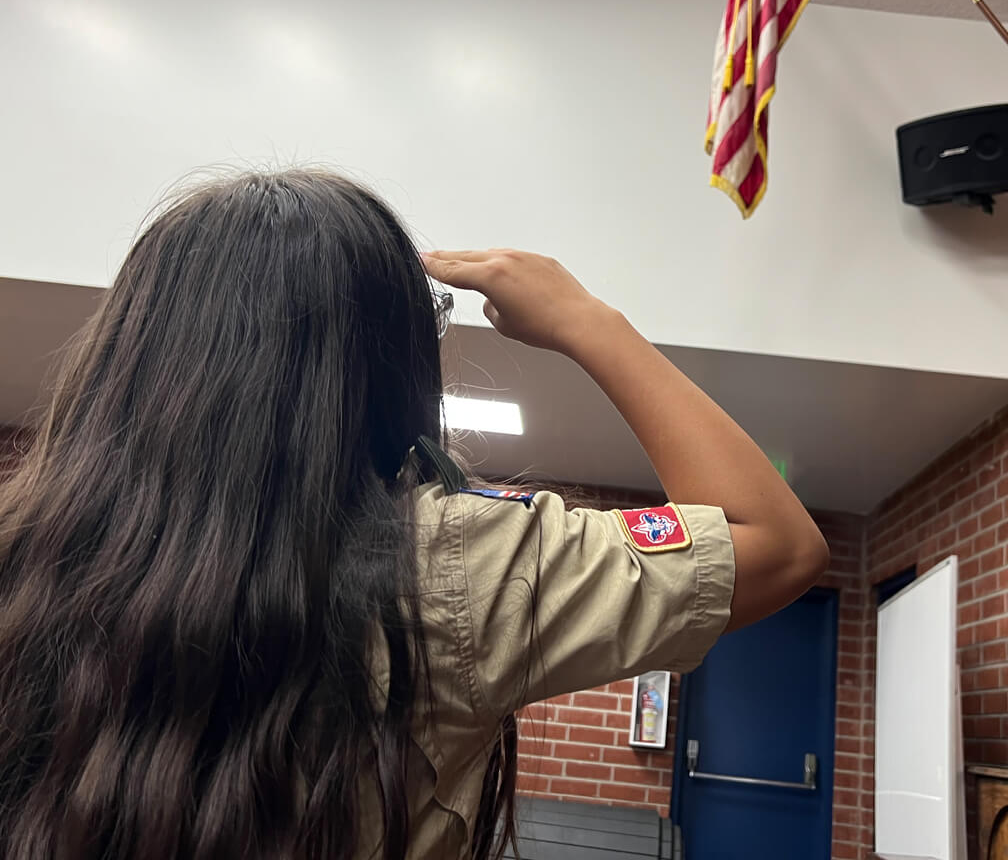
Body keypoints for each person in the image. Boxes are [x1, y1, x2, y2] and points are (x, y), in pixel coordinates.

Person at [0, 168, 828, 860]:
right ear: (387, 359)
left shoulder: (22, 548)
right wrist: (588, 322)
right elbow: (777, 543)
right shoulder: (454, 560)